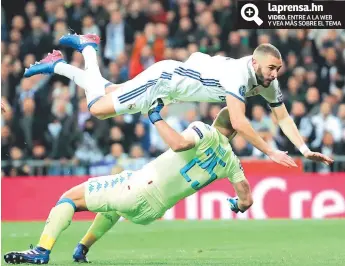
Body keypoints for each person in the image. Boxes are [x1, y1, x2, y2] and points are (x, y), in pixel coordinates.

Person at [23, 33, 333, 168]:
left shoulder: (266, 81)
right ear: (255, 63)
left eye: (278, 69)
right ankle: (83, 51)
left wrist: (304, 149)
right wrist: (271, 151)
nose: (276, 74)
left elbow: (283, 117)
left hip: (170, 86)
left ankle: (63, 61)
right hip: (163, 81)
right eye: (271, 68)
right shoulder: (240, 74)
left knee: (104, 89)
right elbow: (238, 121)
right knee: (97, 109)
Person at [4, 105, 253, 264]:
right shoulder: (231, 160)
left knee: (69, 197)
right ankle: (82, 248)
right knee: (113, 206)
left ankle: (41, 250)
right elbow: (246, 199)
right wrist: (236, 205)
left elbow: (179, 144)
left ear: (217, 119)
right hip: (153, 212)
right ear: (234, 133)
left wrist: (156, 117)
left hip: (141, 187)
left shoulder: (203, 130)